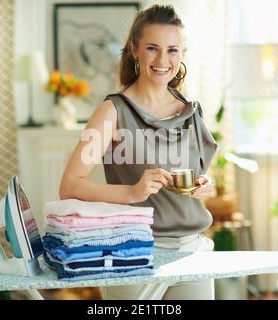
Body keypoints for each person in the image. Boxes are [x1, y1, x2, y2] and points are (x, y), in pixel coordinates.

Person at [59, 4, 218, 300]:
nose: (163, 60)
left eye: (173, 50)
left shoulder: (191, 111)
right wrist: (133, 193)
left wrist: (205, 186)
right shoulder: (111, 112)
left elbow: (199, 179)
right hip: (132, 251)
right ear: (135, 50)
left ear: (183, 53)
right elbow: (69, 185)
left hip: (192, 249)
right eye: (152, 48)